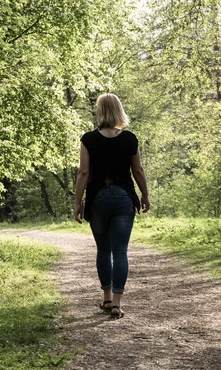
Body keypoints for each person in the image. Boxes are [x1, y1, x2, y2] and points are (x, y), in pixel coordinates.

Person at [73, 93, 150, 319]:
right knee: (120, 251)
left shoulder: (88, 139)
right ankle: (117, 303)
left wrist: (78, 202)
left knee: (103, 250)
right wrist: (145, 195)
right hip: (124, 198)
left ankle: (106, 298)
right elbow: (138, 171)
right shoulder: (129, 139)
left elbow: (83, 172)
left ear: (99, 111)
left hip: (98, 198)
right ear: (119, 110)